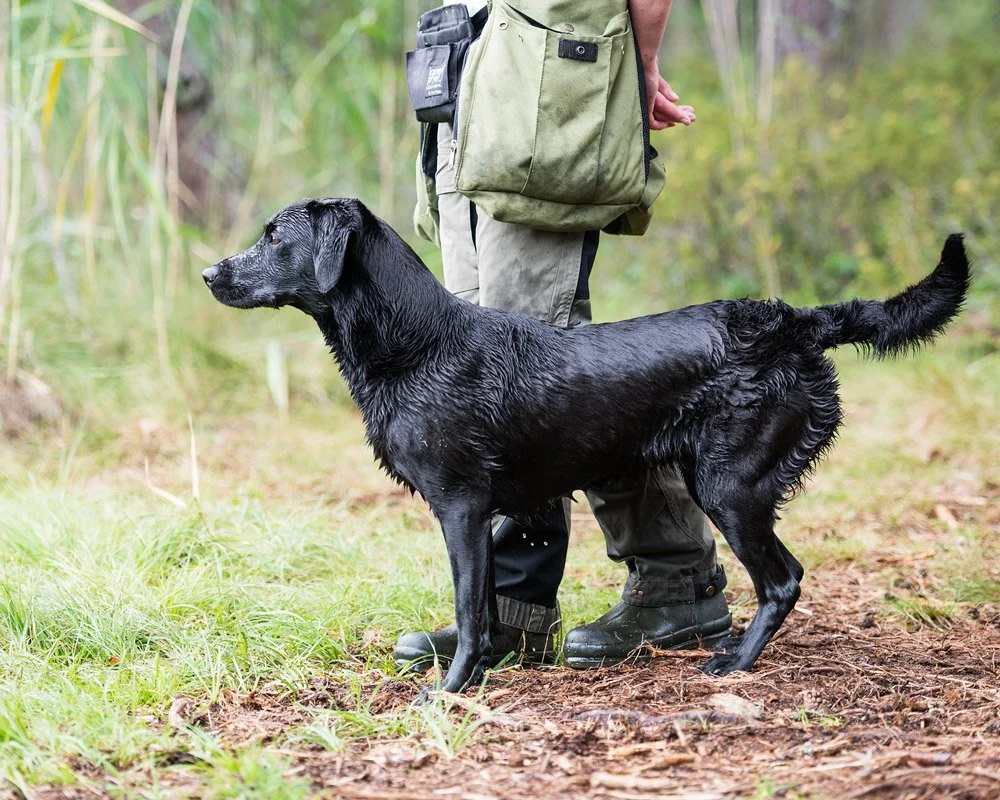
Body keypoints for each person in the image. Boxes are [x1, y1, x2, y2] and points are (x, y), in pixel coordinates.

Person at [394, 0, 731, 673]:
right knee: (478, 372)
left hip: (544, 89)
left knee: (546, 368)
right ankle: (512, 611)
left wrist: (639, 67)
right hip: (466, 76)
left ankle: (675, 582)